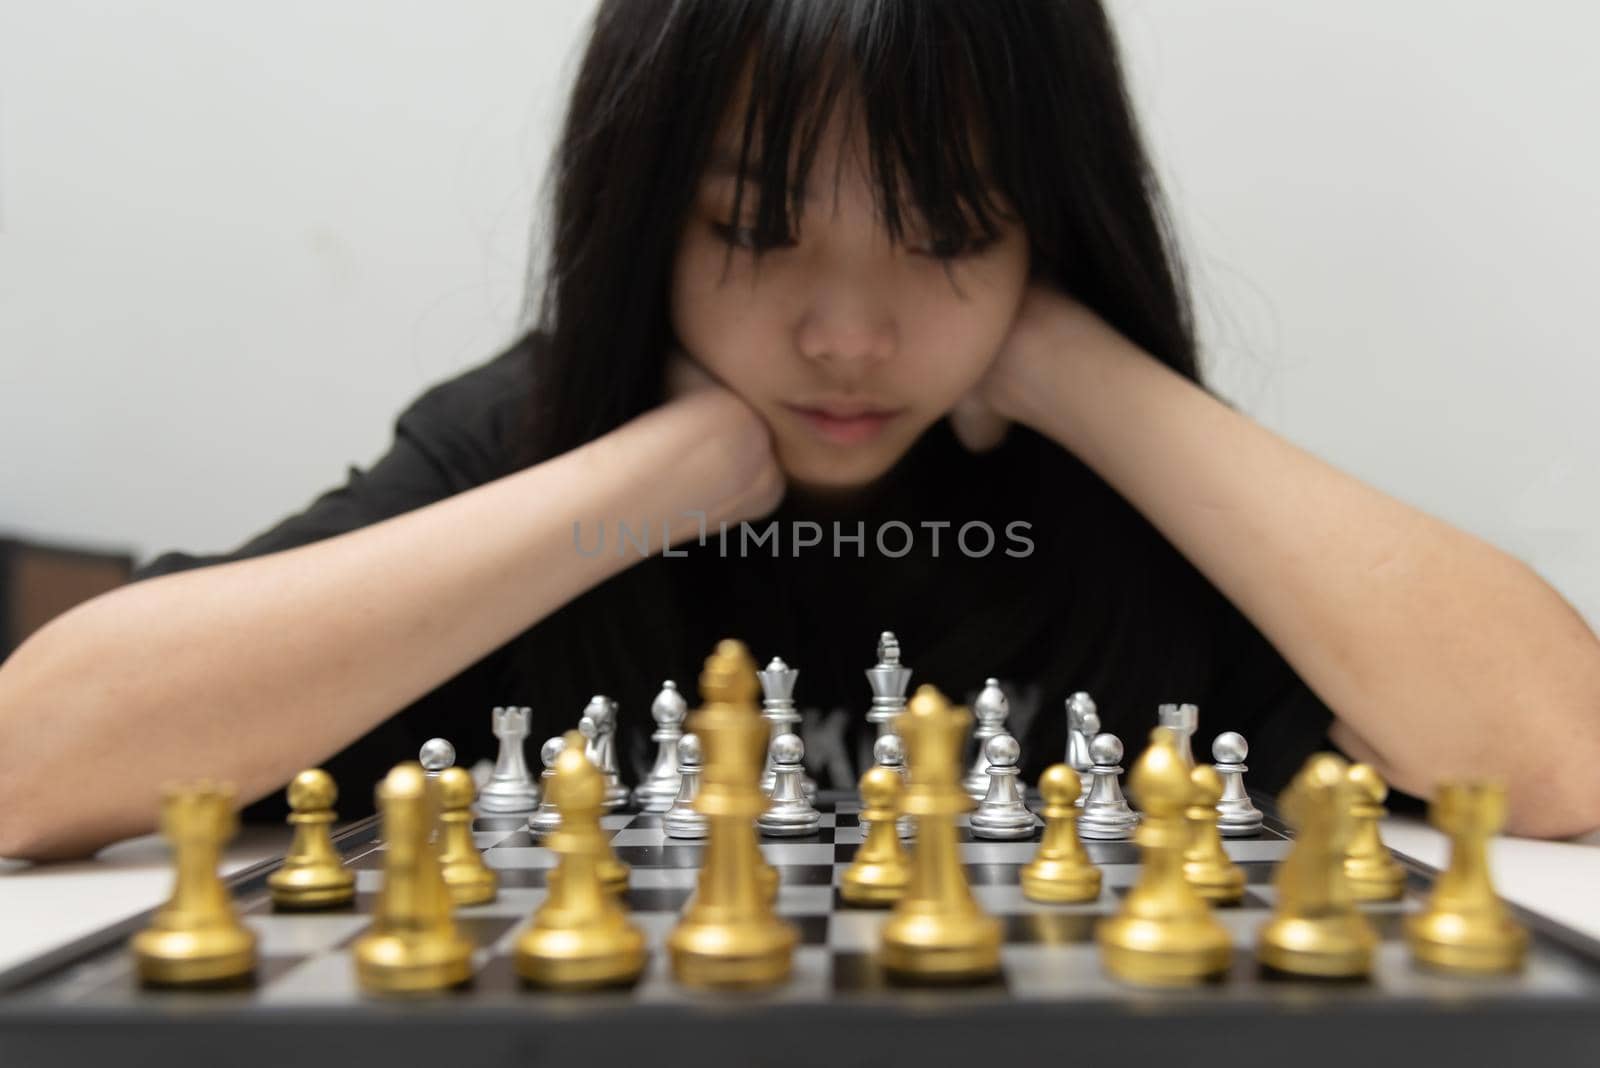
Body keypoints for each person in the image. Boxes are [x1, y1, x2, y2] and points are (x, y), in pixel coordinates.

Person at [2, 0, 1597, 861]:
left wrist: (1069, 367)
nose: (847, 333)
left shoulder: (1123, 480)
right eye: (755, 230)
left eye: (947, 230)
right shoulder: (542, 438)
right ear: (642, 222)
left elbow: (1559, 757)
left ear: (1052, 224)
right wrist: (658, 475)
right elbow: (32, 763)